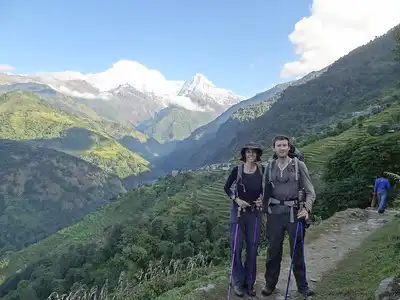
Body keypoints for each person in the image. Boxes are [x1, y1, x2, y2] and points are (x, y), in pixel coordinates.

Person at [261, 135, 316, 297]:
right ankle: (270, 284)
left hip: (294, 213)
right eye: (279, 145)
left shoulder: (299, 166)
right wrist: (264, 214)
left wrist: (306, 208)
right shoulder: (269, 167)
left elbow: (310, 192)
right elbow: (265, 192)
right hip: (274, 214)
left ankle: (302, 286)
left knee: (297, 252)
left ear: (289, 147)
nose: (282, 148)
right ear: (274, 148)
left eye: (285, 145)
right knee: (273, 251)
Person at [224, 142, 265, 297]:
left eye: (254, 152)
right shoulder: (237, 170)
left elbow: (267, 189)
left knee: (252, 249)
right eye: (248, 152)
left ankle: (250, 283)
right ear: (244, 154)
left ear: (257, 155)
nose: (251, 154)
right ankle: (238, 283)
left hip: (254, 213)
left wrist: (262, 198)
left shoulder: (262, 171)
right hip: (238, 212)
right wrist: (236, 199)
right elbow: (226, 188)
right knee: (236, 246)